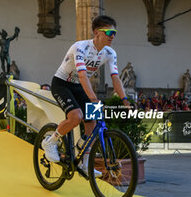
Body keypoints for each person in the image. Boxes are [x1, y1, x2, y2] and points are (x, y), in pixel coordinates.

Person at [42, 15, 130, 177]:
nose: (113, 36)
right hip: (62, 84)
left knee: (93, 122)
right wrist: (94, 98)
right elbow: (82, 75)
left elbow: (115, 77)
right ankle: (50, 141)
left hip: (80, 87)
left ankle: (84, 161)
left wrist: (125, 100)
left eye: (115, 33)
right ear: (97, 32)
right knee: (76, 117)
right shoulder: (80, 47)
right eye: (109, 32)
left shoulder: (110, 53)